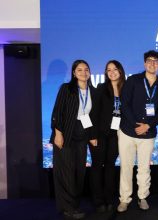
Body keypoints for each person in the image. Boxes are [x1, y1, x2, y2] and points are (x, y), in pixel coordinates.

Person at [50, 60, 98, 219]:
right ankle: (68, 208)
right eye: (79, 70)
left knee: (79, 171)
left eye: (86, 69)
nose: (83, 72)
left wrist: (91, 136)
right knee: (66, 172)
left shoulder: (93, 90)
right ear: (74, 73)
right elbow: (57, 112)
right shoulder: (67, 89)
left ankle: (74, 205)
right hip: (65, 134)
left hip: (82, 134)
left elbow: (89, 117)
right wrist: (58, 133)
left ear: (89, 73)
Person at [117, 50, 158, 212]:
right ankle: (124, 199)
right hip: (127, 131)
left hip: (148, 134)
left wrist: (147, 126)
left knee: (144, 168)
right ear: (144, 63)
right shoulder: (133, 80)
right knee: (126, 167)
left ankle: (142, 197)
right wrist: (136, 125)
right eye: (149, 61)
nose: (152, 64)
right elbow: (124, 104)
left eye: (155, 61)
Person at [90, 60, 126, 212]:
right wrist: (92, 135)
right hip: (99, 134)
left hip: (117, 134)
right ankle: (98, 202)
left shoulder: (127, 88)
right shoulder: (101, 88)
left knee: (111, 166)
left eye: (115, 69)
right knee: (97, 166)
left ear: (120, 71)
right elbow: (93, 113)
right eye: (108, 70)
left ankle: (109, 199)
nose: (112, 72)